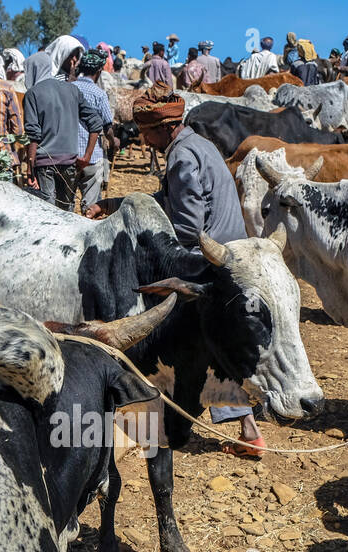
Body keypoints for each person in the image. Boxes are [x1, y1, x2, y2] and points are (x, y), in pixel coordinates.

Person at [86, 84, 262, 457]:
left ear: (165, 128)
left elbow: (187, 227)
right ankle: (247, 431)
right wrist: (116, 204)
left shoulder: (181, 157)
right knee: (213, 347)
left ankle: (165, 412)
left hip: (210, 262)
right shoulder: (198, 145)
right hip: (231, 254)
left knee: (194, 341)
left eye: (147, 131)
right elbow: (170, 200)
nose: (143, 139)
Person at [23, 37, 100, 210]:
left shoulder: (32, 94)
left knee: (48, 214)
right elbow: (95, 123)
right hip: (70, 162)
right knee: (67, 213)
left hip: (45, 164)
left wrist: (30, 166)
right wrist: (87, 156)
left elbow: (34, 134)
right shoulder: (73, 90)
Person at [71, 48, 112, 213]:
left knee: (65, 205)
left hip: (68, 155)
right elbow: (108, 126)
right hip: (92, 157)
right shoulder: (100, 94)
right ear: (99, 71)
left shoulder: (68, 88)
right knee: (90, 209)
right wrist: (113, 141)